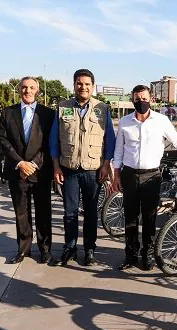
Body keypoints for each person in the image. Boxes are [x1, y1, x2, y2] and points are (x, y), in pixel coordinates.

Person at [113, 85, 177, 271]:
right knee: (130, 219)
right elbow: (119, 150)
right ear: (132, 100)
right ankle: (130, 255)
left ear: (151, 100)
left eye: (144, 98)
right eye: (137, 99)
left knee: (149, 218)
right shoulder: (125, 122)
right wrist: (116, 174)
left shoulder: (161, 121)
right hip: (129, 174)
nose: (141, 102)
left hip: (152, 177)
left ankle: (147, 256)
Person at [50, 69, 115, 266]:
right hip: (68, 169)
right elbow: (54, 140)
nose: (83, 87)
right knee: (69, 212)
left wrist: (106, 165)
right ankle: (69, 249)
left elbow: (109, 140)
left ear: (92, 86)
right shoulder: (63, 108)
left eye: (87, 84)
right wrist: (56, 167)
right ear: (74, 85)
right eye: (79, 83)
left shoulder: (102, 108)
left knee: (91, 213)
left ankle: (89, 250)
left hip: (93, 170)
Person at [0, 76, 55, 264]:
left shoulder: (48, 114)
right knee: (21, 213)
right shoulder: (8, 113)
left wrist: (34, 164)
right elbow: (3, 140)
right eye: (24, 87)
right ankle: (24, 249)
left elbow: (49, 143)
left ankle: (45, 249)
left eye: (31, 88)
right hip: (17, 171)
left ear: (37, 90)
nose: (27, 91)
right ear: (19, 90)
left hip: (40, 173)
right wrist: (20, 163)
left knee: (43, 212)